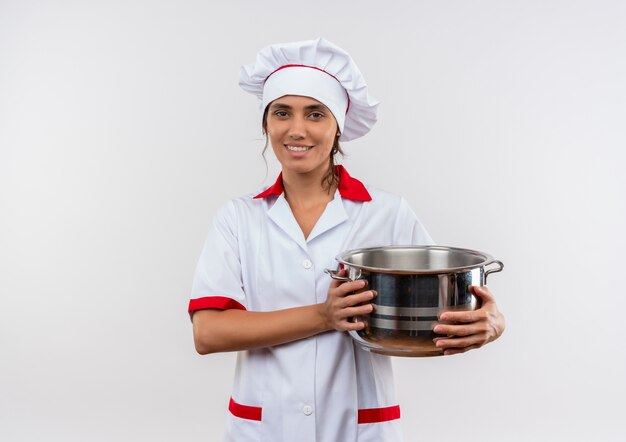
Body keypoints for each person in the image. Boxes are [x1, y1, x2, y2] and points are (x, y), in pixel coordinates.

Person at [188, 38, 505, 442]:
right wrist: (324, 315)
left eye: (315, 114)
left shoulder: (386, 213)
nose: (296, 129)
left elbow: (445, 304)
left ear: (338, 125)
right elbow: (209, 333)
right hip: (264, 426)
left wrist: (492, 322)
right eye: (282, 113)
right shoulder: (238, 218)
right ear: (266, 123)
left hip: (360, 425)